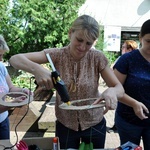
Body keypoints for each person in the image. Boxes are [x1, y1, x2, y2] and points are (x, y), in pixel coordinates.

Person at [9, 15, 124, 149]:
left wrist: (112, 91)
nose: (82, 47)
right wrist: (37, 70)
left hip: (94, 123)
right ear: (70, 33)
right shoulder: (56, 55)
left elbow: (119, 88)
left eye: (88, 43)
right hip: (66, 124)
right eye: (79, 40)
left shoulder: (97, 58)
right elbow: (14, 59)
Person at [113, 19, 150, 150]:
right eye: (149, 41)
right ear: (140, 38)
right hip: (128, 120)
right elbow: (114, 90)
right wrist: (133, 103)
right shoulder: (127, 59)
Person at [0, 35, 32, 140]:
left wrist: (23, 91)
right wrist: (12, 104)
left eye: (1, 55)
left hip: (3, 121)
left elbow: (11, 88)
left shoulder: (1, 67)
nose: (1, 59)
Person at [108, 40, 138, 133]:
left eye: (124, 47)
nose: (122, 49)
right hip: (123, 97)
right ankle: (116, 126)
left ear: (130, 48)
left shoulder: (135, 59)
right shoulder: (123, 59)